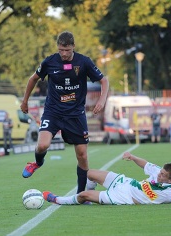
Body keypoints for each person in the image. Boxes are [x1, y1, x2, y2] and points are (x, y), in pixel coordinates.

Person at [20, 31, 109, 193]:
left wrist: (101, 100)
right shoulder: (50, 62)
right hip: (53, 112)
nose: (64, 54)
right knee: (42, 145)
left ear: (73, 47)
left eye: (67, 50)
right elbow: (32, 79)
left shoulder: (84, 62)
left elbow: (104, 80)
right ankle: (37, 163)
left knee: (82, 155)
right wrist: (25, 100)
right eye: (61, 50)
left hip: (75, 114)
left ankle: (81, 193)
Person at [43, 151, 171, 205]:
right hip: (125, 182)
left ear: (170, 180)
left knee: (83, 194)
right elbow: (146, 164)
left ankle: (58, 199)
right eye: (161, 171)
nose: (159, 174)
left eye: (163, 175)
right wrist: (133, 157)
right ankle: (85, 201)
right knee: (90, 173)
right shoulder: (159, 172)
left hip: (123, 196)